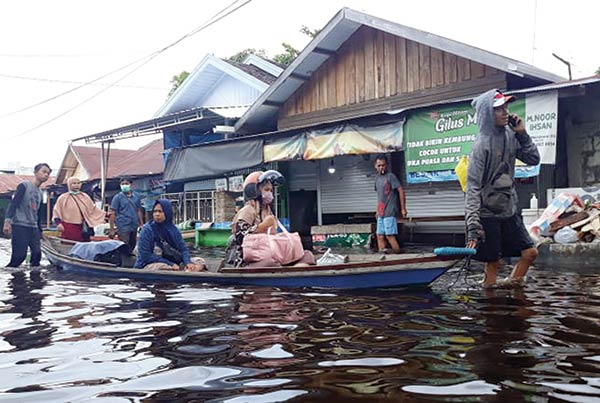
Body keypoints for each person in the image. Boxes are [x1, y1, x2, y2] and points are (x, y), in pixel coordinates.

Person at [466, 89, 540, 288]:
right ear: (488, 114)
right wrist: (473, 226)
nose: (505, 112)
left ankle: (513, 287)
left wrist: (523, 134)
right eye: (499, 109)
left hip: (509, 209)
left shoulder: (510, 134)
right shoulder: (481, 146)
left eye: (506, 107)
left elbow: (533, 159)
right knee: (494, 263)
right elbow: (472, 187)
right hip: (487, 214)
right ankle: (491, 307)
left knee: (530, 253)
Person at [226, 170, 315, 267]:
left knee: (307, 255)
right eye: (266, 190)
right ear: (254, 191)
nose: (270, 193)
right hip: (248, 260)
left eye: (271, 190)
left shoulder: (267, 211)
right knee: (271, 264)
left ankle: (296, 273)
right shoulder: (248, 210)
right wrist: (262, 226)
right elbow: (240, 237)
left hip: (269, 253)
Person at [3, 163, 52, 268]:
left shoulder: (40, 193)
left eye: (48, 173)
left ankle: (34, 283)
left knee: (37, 255)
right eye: (44, 172)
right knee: (19, 257)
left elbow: (37, 213)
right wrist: (7, 222)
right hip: (20, 225)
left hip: (33, 227)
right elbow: (13, 204)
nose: (46, 175)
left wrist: (40, 231)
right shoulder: (24, 186)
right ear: (35, 172)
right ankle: (12, 280)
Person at [134, 199, 205, 271]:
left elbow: (183, 249)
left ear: (167, 212)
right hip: (149, 264)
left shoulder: (174, 229)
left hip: (174, 262)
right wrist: (170, 264)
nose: (157, 214)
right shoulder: (147, 229)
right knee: (163, 267)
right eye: (155, 211)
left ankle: (187, 270)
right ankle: (184, 271)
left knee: (200, 261)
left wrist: (188, 262)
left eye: (160, 211)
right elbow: (145, 256)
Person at [52, 177, 106, 242]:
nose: (77, 185)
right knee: (69, 245)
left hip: (83, 227)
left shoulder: (85, 196)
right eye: (74, 183)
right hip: (68, 227)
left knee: (84, 246)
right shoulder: (63, 198)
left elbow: (93, 209)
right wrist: (58, 223)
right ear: (69, 185)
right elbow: (56, 212)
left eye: (78, 183)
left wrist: (105, 215)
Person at [374, 154, 407, 254]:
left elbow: (400, 190)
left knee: (389, 236)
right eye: (379, 165)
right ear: (375, 166)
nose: (381, 167)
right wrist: (377, 210)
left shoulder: (391, 176)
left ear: (386, 165)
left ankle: (398, 256)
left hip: (390, 211)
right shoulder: (377, 178)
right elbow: (380, 196)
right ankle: (382, 257)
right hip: (381, 212)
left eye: (383, 165)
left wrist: (403, 208)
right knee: (379, 236)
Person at [108, 178, 144, 252]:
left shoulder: (136, 196)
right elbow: (112, 213)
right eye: (122, 184)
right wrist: (112, 229)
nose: (124, 185)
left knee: (132, 244)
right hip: (123, 225)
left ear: (131, 184)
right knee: (124, 245)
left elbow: (138, 210)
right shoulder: (117, 197)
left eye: (126, 184)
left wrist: (141, 224)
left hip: (134, 225)